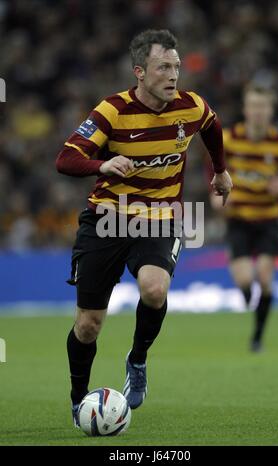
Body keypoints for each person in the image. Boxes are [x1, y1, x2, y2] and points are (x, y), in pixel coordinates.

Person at [56, 29, 232, 426]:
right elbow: (66, 159)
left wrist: (220, 171)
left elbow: (213, 126)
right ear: (140, 71)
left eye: (177, 67)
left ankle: (137, 360)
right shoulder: (112, 111)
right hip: (106, 219)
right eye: (163, 67)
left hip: (160, 219)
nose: (173, 75)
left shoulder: (190, 106)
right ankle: (77, 397)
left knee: (154, 289)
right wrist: (101, 164)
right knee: (88, 325)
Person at [210, 84, 278, 352]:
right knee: (246, 280)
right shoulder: (229, 139)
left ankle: (257, 337)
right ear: (246, 109)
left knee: (266, 277)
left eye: (263, 106)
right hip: (239, 219)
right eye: (253, 106)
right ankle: (248, 295)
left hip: (270, 219)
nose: (258, 112)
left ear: (270, 110)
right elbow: (211, 169)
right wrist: (216, 193)